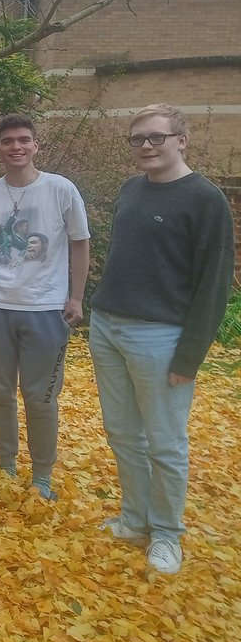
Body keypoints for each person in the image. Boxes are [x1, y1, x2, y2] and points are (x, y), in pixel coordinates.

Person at [89, 104, 235, 575]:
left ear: (181, 139)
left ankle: (167, 534)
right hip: (107, 327)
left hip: (160, 337)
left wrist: (189, 357)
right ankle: (134, 519)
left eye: (156, 138)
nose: (147, 147)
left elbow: (213, 285)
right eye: (138, 139)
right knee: (123, 433)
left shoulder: (205, 199)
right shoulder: (131, 190)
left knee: (165, 442)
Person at [0, 114, 90, 501]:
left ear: (36, 145)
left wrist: (76, 296)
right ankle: (6, 465)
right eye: (8, 141)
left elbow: (80, 243)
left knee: (40, 396)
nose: (16, 147)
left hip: (45, 309)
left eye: (24, 140)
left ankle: (42, 476)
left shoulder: (61, 189)